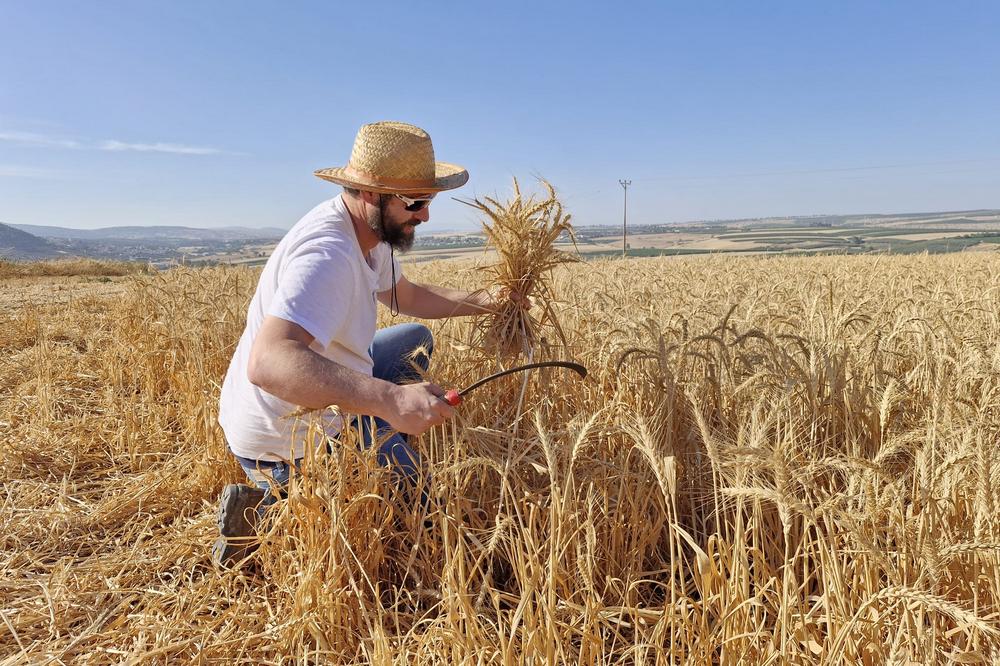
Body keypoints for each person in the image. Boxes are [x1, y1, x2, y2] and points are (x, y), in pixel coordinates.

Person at [212, 121, 496, 567]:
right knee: (425, 518)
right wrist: (390, 398)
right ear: (371, 193)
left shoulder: (371, 234)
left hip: (305, 393)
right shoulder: (328, 255)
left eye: (429, 200)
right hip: (285, 433)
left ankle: (376, 432)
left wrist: (487, 303)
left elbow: (409, 297)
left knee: (413, 340)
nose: (424, 215)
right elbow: (269, 362)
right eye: (415, 202)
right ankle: (267, 511)